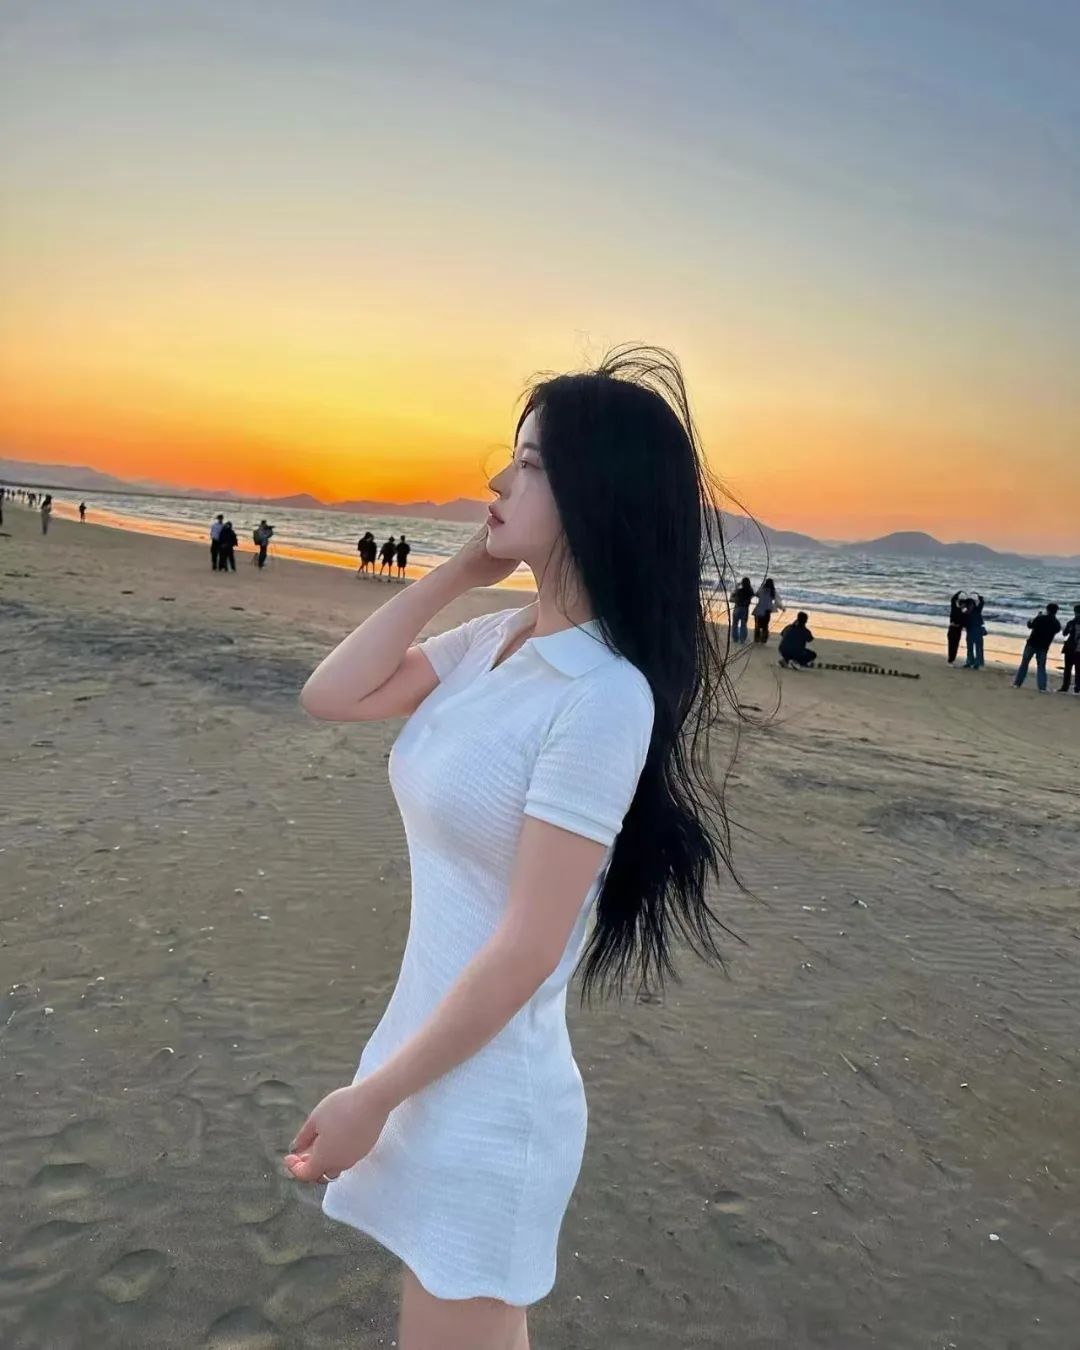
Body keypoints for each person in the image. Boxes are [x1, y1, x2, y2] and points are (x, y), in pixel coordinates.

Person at [286, 346, 741, 1349]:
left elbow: (529, 947)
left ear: (593, 494)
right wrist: (461, 571)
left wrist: (374, 1099)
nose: (495, 480)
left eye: (528, 464)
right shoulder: (496, 642)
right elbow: (332, 694)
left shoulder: (603, 696)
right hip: (429, 1070)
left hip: (486, 1102)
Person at [1013, 603, 1061, 692]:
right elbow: (1057, 630)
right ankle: (1042, 687)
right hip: (1044, 646)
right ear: (1056, 611)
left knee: (1024, 664)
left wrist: (1035, 618)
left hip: (1032, 643)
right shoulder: (1056, 623)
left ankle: (1017, 683)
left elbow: (1030, 625)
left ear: (1047, 609)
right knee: (1041, 667)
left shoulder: (1040, 618)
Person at [752, 577, 782, 644]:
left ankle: (756, 639)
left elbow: (756, 594)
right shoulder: (773, 592)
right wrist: (782, 608)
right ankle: (763, 640)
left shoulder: (762, 590)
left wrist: (761, 586)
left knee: (757, 625)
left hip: (758, 610)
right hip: (767, 611)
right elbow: (777, 602)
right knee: (765, 626)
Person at [1059, 604, 1080, 694]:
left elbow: (1064, 633)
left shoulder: (1071, 623)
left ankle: (1065, 687)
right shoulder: (1072, 622)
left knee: (1068, 668)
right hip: (1078, 650)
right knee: (1078, 669)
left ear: (1075, 612)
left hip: (1070, 648)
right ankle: (1077, 687)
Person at [962, 594, 986, 670]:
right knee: (970, 648)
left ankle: (977, 663)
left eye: (972, 604)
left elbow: (982, 603)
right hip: (970, 631)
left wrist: (980, 598)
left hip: (977, 630)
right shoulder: (965, 613)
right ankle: (970, 662)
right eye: (969, 605)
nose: (970, 606)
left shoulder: (977, 610)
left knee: (978, 648)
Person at [730, 576, 754, 644]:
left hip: (737, 608)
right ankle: (742, 639)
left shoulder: (739, 591)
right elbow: (752, 594)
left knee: (735, 624)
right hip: (745, 609)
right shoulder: (750, 592)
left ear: (742, 583)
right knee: (743, 625)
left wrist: (736, 586)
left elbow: (731, 599)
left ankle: (735, 638)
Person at [947, 590, 966, 665]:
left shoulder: (962, 613)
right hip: (953, 629)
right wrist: (958, 593)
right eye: (963, 605)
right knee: (952, 645)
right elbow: (953, 600)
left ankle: (951, 660)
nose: (964, 606)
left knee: (954, 645)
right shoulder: (956, 610)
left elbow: (963, 624)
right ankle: (950, 660)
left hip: (956, 630)